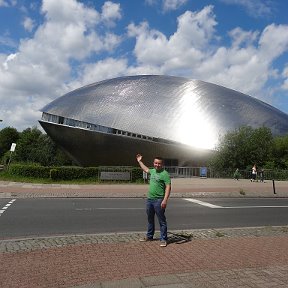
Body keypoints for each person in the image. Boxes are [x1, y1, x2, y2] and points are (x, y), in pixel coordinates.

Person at [136, 154, 171, 247]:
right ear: (154, 163)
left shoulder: (165, 174)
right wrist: (139, 161)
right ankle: (149, 236)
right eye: (155, 163)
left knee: (162, 220)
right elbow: (145, 169)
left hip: (159, 200)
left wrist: (165, 200)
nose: (157, 165)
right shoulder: (152, 171)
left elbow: (168, 187)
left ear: (162, 164)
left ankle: (163, 239)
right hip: (149, 199)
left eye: (159, 163)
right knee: (150, 219)